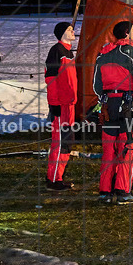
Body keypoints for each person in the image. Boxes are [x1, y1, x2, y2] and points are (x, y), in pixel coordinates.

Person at [93, 21, 133, 205]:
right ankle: (123, 191)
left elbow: (96, 86)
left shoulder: (103, 54)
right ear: (126, 33)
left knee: (109, 150)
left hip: (109, 106)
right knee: (127, 149)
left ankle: (105, 192)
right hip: (128, 107)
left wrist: (106, 98)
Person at [44, 22, 77, 191]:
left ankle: (58, 176)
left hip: (69, 105)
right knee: (60, 142)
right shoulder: (56, 51)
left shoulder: (69, 52)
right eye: (69, 29)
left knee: (67, 142)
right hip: (60, 107)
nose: (73, 31)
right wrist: (54, 104)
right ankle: (53, 180)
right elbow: (51, 79)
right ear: (62, 33)